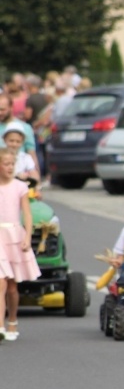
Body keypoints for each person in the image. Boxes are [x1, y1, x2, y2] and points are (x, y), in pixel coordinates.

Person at [0, 147, 41, 342]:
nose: (9, 168)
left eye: (11, 164)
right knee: (0, 283)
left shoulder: (19, 187)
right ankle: (0, 325)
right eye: (6, 164)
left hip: (13, 235)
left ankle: (13, 319)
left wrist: (27, 237)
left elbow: (27, 213)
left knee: (11, 287)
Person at [0, 94, 39, 173]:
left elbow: (31, 153)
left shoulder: (24, 128)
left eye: (2, 109)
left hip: (19, 173)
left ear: (11, 108)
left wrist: (36, 176)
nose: (0, 113)